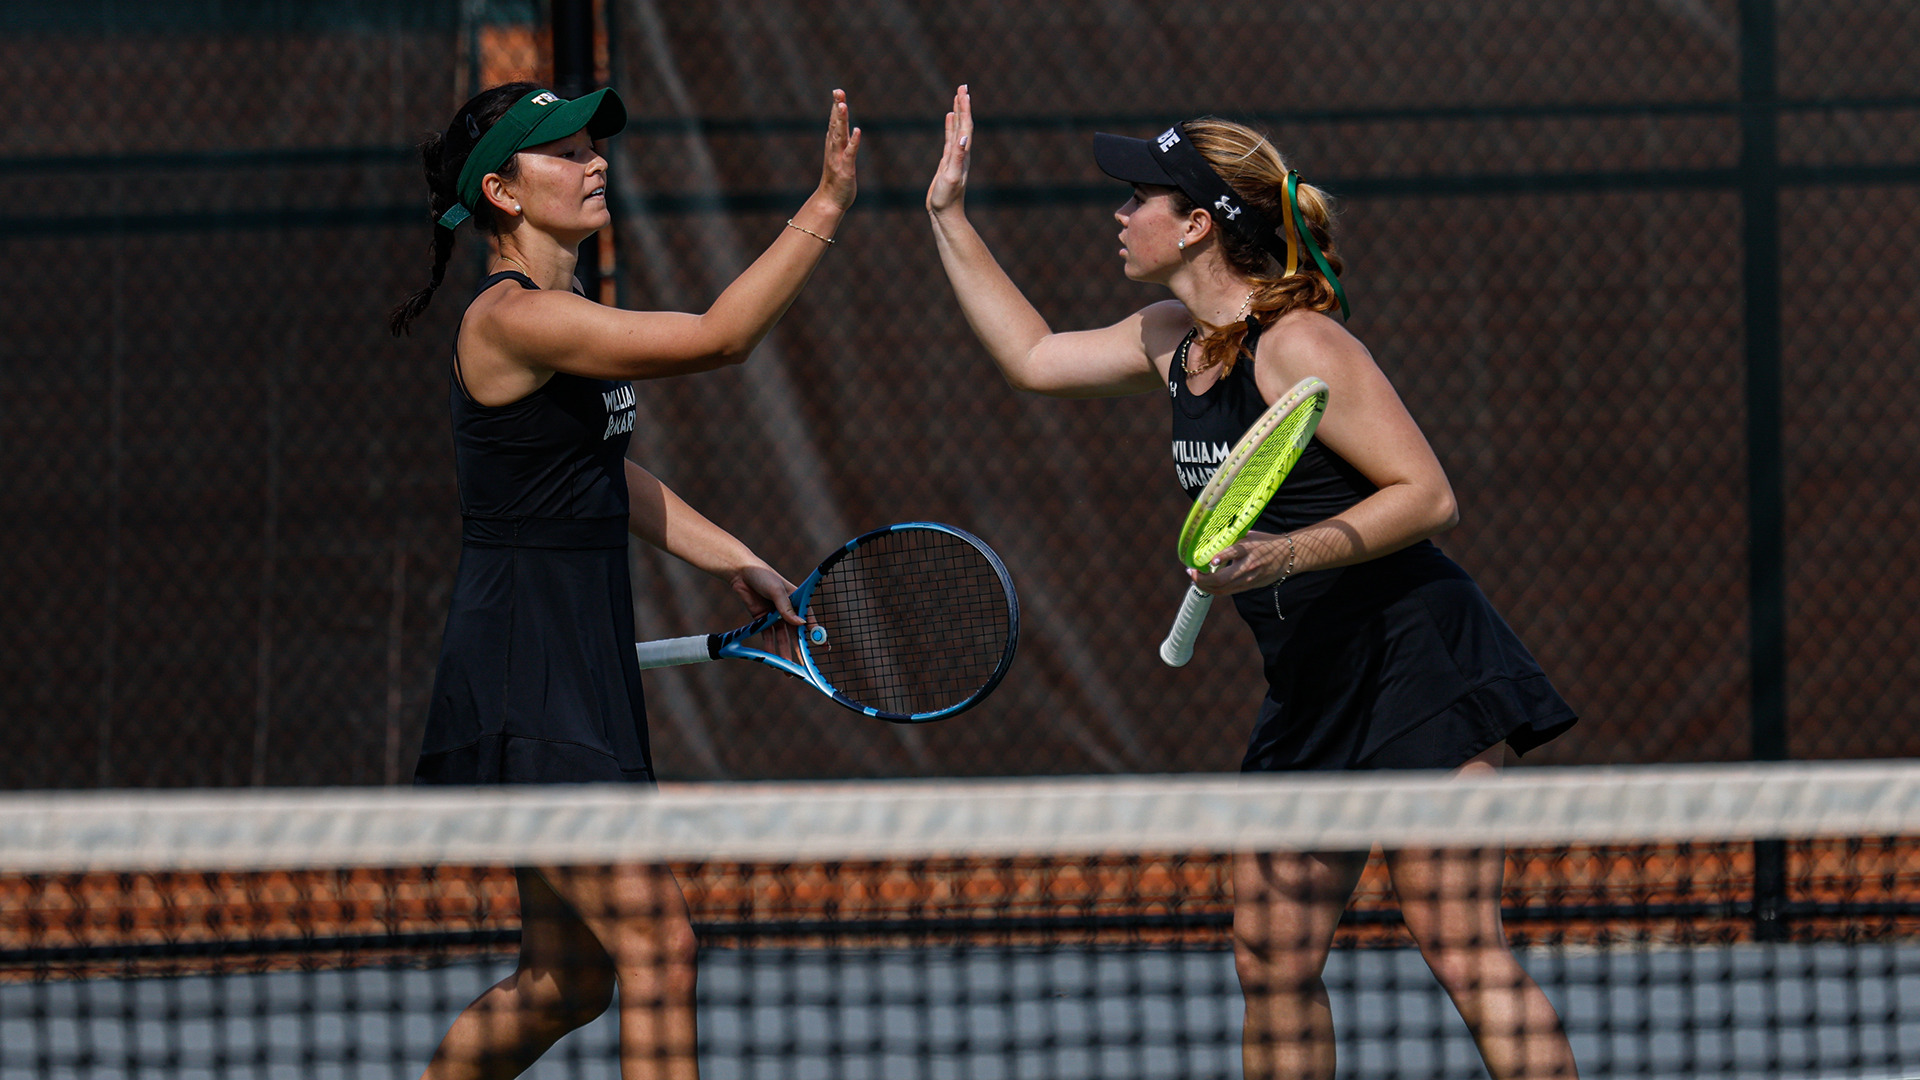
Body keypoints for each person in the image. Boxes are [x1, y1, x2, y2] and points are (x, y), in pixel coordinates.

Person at [924, 86, 1580, 1080]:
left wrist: (1284, 552)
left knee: (1459, 946)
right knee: (1272, 958)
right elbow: (1032, 356)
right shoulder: (1168, 341)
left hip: (1417, 667)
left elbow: (1428, 496)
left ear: (1195, 224)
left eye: (1136, 197)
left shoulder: (1301, 345)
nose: (1119, 213)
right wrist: (947, 215)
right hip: (1311, 687)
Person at [388, 81, 859, 1079]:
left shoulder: (562, 315)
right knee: (658, 950)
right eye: (561, 150)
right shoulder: (513, 320)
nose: (594, 159)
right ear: (506, 193)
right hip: (528, 678)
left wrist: (736, 557)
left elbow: (598, 472)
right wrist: (822, 207)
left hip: (577, 673)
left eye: (593, 143)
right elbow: (721, 337)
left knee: (570, 980)